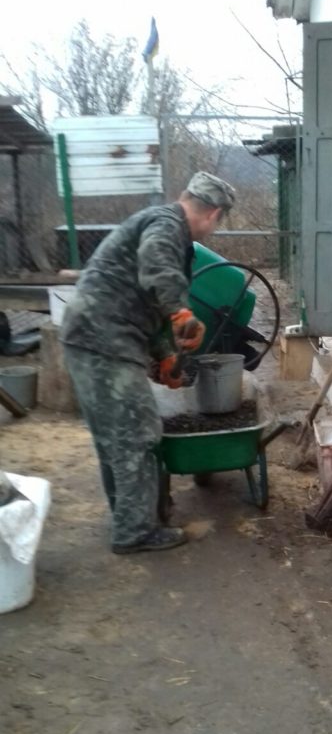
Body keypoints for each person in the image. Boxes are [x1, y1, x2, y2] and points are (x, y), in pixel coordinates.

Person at [61, 171, 236, 555]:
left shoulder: (159, 222)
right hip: (105, 338)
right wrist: (181, 313)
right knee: (136, 433)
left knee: (115, 436)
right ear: (213, 214)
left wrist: (164, 355)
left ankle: (134, 517)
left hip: (94, 336)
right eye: (217, 221)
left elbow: (149, 300)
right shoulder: (166, 225)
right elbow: (157, 265)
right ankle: (136, 531)